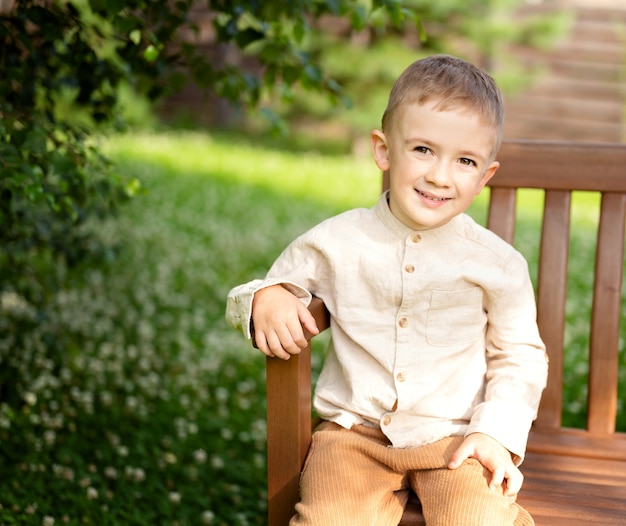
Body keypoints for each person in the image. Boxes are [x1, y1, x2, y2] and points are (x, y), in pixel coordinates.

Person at [226, 54, 548, 526]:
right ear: (383, 150)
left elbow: (520, 356)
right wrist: (264, 298)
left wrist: (495, 433)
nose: (440, 175)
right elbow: (265, 288)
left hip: (457, 440)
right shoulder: (337, 240)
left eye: (465, 161)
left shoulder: (497, 264)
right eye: (422, 150)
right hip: (354, 438)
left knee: (478, 520)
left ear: (485, 176)